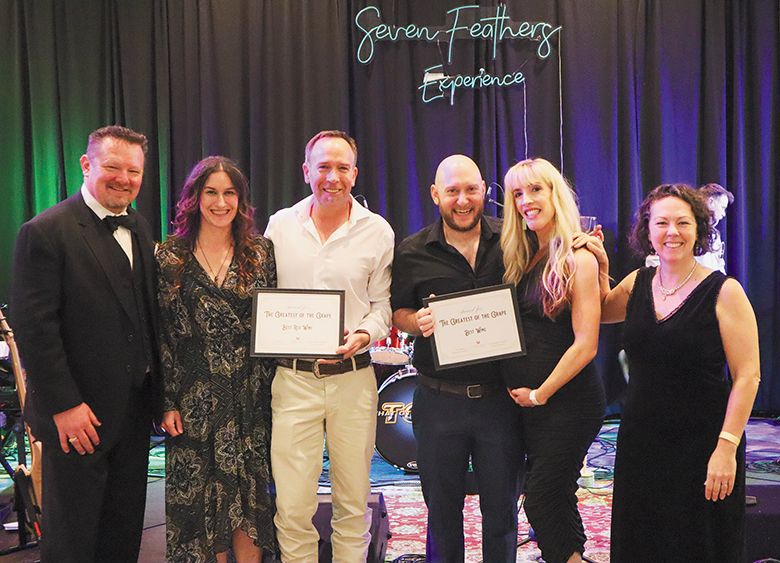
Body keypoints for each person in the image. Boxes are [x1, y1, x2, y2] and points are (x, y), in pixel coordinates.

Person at [582, 183, 760, 562]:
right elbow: (597, 313)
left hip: (705, 444)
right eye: (661, 223)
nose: (671, 232)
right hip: (642, 441)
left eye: (682, 222)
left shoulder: (724, 291)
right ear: (647, 231)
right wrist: (599, 265)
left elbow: (748, 375)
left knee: (699, 542)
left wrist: (726, 448)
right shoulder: (636, 284)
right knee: (643, 539)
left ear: (699, 229)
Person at [11, 125, 162, 562]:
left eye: (134, 171)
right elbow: (35, 329)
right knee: (72, 539)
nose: (124, 179)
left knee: (122, 530)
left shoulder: (139, 226)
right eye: (113, 167)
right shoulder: (45, 231)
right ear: (86, 164)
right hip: (78, 417)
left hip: (133, 414)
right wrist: (64, 406)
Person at [264, 130, 394, 562]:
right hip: (293, 380)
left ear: (355, 174)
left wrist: (365, 333)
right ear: (306, 172)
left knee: (354, 502)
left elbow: (382, 307)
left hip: (353, 380)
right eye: (323, 167)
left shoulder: (377, 232)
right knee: (292, 505)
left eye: (342, 168)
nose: (332, 177)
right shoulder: (280, 226)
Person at [391, 154, 524, 562]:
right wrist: (419, 321)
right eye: (452, 191)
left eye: (471, 189)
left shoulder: (514, 239)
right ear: (436, 195)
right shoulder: (412, 251)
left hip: (500, 400)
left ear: (485, 190)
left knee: (501, 512)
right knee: (442, 513)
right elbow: (398, 312)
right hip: (438, 401)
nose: (462, 200)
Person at [157, 156, 277, 562]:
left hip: (250, 399)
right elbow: (163, 338)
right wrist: (166, 402)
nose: (221, 202)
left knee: (250, 504)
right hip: (194, 403)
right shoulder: (168, 257)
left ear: (241, 201)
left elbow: (275, 325)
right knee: (199, 510)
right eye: (211, 192)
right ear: (195, 197)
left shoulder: (261, 253)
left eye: (230, 193)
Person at [500, 158, 605, 563]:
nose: (526, 201)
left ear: (555, 194)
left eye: (535, 190)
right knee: (557, 493)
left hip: (567, 403)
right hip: (532, 405)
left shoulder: (578, 257)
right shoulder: (522, 254)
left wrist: (540, 394)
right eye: (517, 194)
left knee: (541, 497)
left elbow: (586, 344)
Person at [696, 182, 734, 273]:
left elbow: (719, 266)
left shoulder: (714, 234)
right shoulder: (689, 230)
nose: (724, 214)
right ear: (711, 202)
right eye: (722, 207)